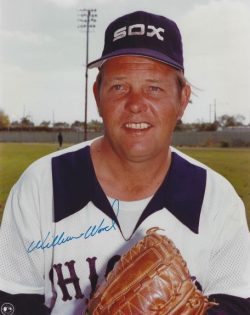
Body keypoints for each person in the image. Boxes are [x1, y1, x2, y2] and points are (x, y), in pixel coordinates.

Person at [0, 11, 250, 315]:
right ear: (97, 95)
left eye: (154, 88)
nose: (135, 104)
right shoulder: (41, 186)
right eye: (119, 86)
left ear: (182, 98)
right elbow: (11, 300)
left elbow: (236, 303)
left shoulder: (217, 199)